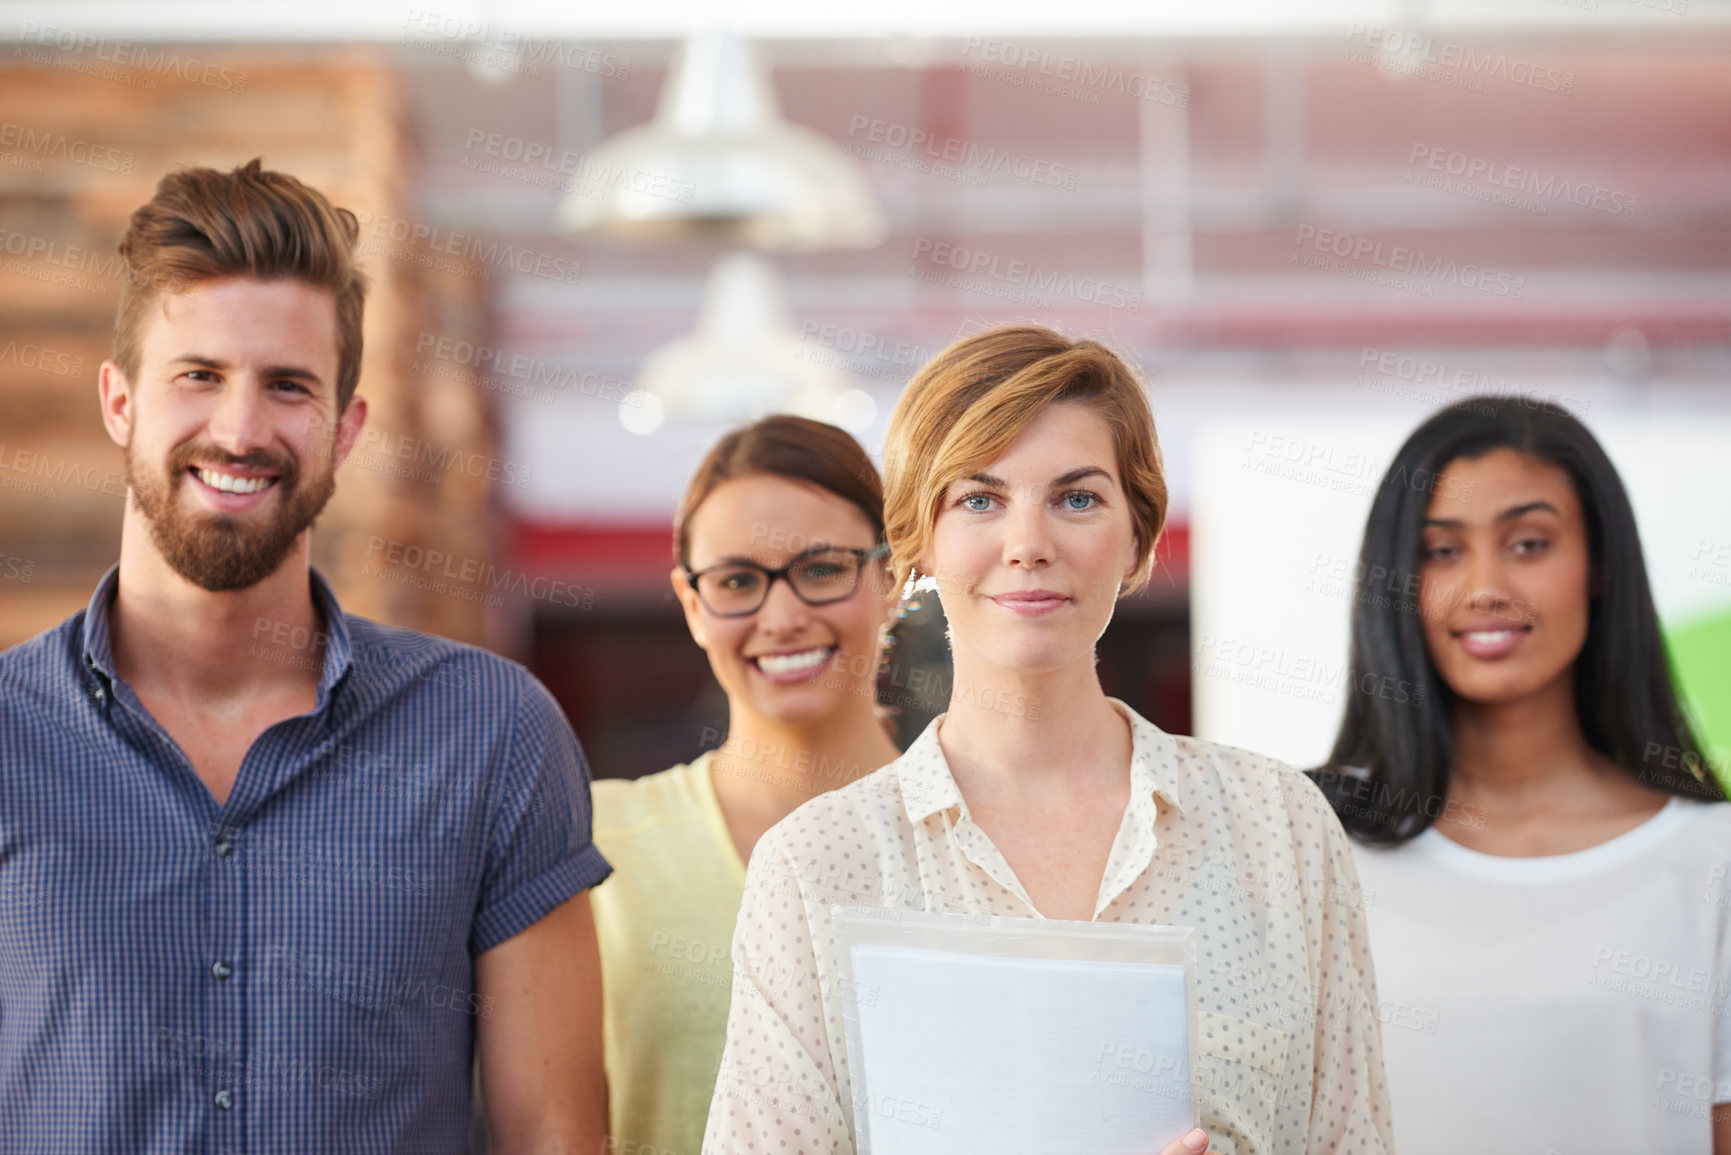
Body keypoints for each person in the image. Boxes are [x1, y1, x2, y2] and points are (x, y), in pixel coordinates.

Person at [0, 159, 612, 1153]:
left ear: (346, 427)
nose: (240, 431)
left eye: (289, 387)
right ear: (119, 402)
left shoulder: (490, 735)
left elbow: (554, 1137)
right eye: (198, 376)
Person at [703, 325, 1394, 1155]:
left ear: (1136, 538)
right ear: (919, 543)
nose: (1028, 544)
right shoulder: (818, 865)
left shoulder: (1279, 829)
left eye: (1075, 497)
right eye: (980, 499)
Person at [1311, 398, 1731, 1154]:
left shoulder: (1714, 858)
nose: (1484, 587)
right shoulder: (1309, 845)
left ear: (1599, 564)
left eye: (1529, 543)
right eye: (1440, 551)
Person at [591, 416, 903, 1155]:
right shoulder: (595, 839)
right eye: (737, 581)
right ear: (692, 603)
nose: (784, 616)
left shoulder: (979, 831)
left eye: (822, 568)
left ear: (891, 579)